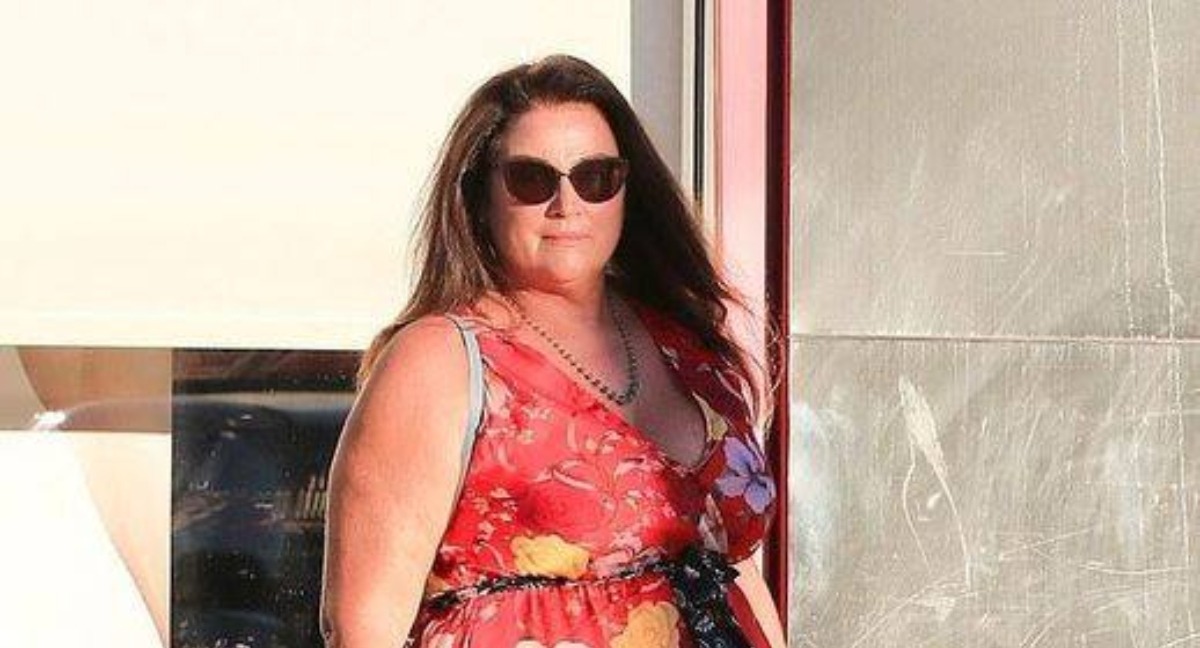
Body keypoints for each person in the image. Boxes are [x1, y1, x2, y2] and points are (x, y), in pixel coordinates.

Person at [321, 54, 785, 647]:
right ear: (481, 197)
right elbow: (362, 626)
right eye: (532, 180)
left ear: (627, 191)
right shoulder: (441, 360)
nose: (567, 204)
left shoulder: (687, 346)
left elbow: (734, 567)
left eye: (596, 177)